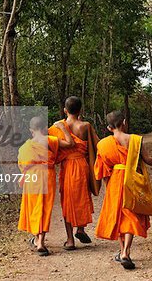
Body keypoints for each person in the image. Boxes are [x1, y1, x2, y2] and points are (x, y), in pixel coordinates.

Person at [94, 110, 152, 269]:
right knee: (131, 214)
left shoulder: (103, 144)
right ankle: (126, 251)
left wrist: (107, 187)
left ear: (109, 128)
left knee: (119, 216)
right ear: (124, 122)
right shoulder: (135, 140)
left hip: (115, 180)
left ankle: (123, 250)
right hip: (132, 179)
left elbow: (102, 169)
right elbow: (147, 159)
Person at [17, 116, 75, 256]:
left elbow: (22, 165)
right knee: (45, 207)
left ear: (31, 130)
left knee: (34, 207)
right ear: (44, 128)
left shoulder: (26, 146)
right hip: (47, 175)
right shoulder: (51, 140)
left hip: (32, 177)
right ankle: (41, 240)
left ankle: (38, 239)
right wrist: (62, 128)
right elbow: (70, 143)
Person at [48, 96, 100, 250]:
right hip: (82, 165)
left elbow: (50, 148)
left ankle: (70, 240)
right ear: (80, 110)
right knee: (82, 197)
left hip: (67, 166)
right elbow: (98, 144)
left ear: (65, 110)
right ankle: (81, 229)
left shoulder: (57, 127)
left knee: (68, 201)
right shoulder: (85, 126)